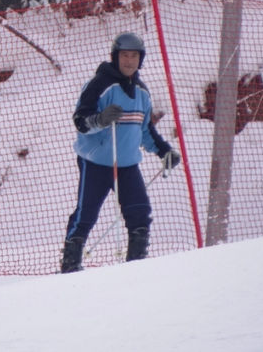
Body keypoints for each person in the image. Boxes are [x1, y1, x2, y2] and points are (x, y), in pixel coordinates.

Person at [60, 32, 180, 273]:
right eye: (125, 55)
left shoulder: (142, 92)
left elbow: (145, 129)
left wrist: (164, 151)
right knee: (86, 213)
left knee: (140, 213)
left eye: (134, 56)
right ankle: (70, 266)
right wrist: (101, 120)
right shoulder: (99, 84)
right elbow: (80, 121)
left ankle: (135, 269)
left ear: (140, 59)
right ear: (115, 57)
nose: (129, 61)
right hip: (95, 162)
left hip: (126, 165)